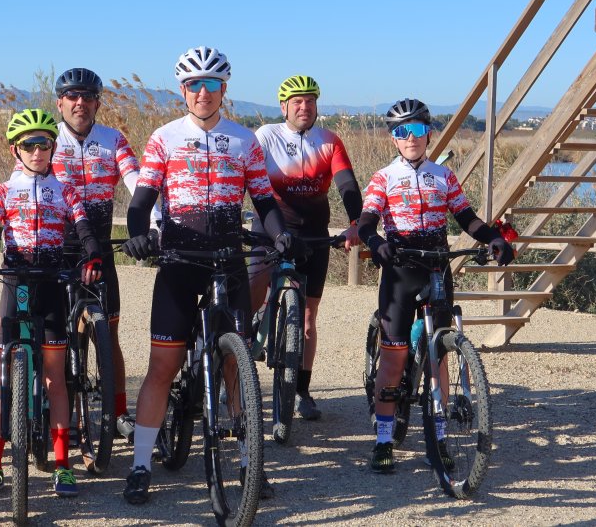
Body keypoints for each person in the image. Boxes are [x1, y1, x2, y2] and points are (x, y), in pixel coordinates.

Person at [120, 46, 298, 505]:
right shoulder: (164, 138)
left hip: (228, 260)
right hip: (179, 261)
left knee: (237, 366)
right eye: (194, 85)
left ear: (224, 90)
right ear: (183, 91)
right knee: (163, 366)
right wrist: (140, 235)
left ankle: (247, 464)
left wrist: (279, 236)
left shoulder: (244, 140)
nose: (203, 93)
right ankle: (140, 466)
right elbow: (141, 200)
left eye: (212, 85)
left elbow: (262, 200)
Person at [356, 97, 514, 474]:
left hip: (437, 269)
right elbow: (365, 222)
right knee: (393, 360)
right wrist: (376, 244)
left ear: (429, 133)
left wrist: (493, 238)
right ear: (393, 138)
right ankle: (382, 440)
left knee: (439, 355)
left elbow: (467, 218)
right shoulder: (384, 177)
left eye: (417, 129)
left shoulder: (443, 176)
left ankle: (439, 438)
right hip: (400, 271)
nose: (410, 137)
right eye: (401, 131)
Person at [0, 108, 104, 499]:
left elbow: (83, 227)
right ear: (15, 150)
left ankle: (62, 464)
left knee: (56, 378)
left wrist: (93, 256)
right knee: (4, 377)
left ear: (53, 148)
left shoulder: (66, 189)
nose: (38, 151)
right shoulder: (4, 191)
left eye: (45, 144)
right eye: (30, 145)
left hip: (52, 284)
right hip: (16, 282)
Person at [247, 75, 363, 421]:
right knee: (250, 295)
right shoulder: (266, 136)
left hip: (313, 234)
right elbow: (246, 178)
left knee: (309, 319)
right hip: (270, 231)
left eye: (310, 101)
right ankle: (236, 360)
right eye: (296, 101)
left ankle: (302, 391)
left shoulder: (329, 141)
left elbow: (347, 186)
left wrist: (357, 224)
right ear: (284, 106)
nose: (304, 106)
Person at [40, 68, 140, 439]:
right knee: (52, 337)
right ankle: (51, 404)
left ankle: (118, 412)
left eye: (87, 96)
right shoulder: (44, 141)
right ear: (60, 103)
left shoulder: (114, 140)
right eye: (72, 96)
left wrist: (152, 224)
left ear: (97, 102)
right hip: (55, 250)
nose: (79, 103)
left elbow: (136, 183)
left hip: (98, 249)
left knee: (108, 333)